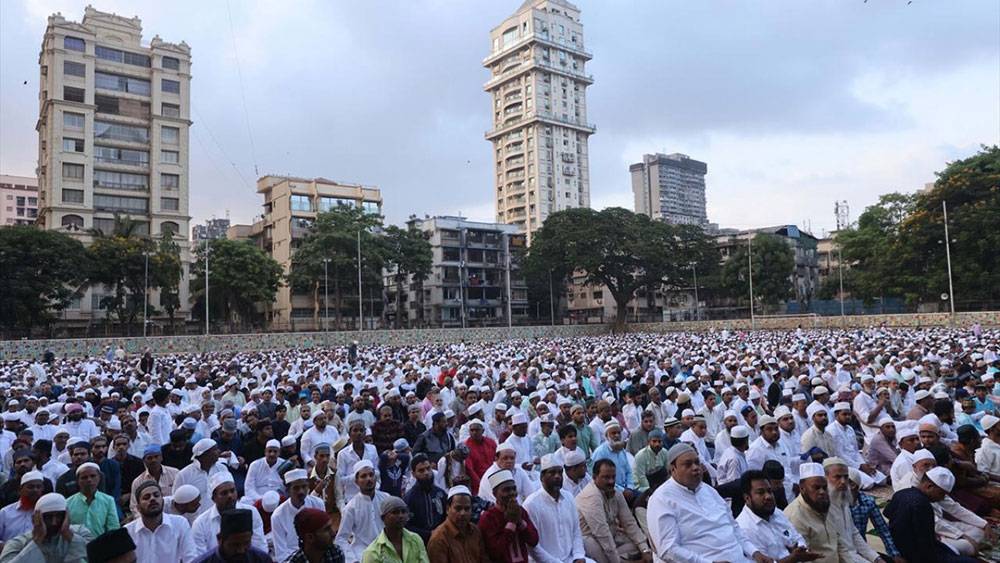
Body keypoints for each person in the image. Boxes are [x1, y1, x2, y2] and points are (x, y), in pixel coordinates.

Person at [647, 443, 766, 563]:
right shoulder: (661, 499)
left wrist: (754, 552)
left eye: (697, 462)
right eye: (688, 464)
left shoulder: (709, 491)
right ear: (673, 469)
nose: (695, 468)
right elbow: (668, 549)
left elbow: (734, 527)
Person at [883, 467, 979, 563]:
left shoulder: (901, 493)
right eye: (941, 493)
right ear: (929, 486)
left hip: (901, 547)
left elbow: (887, 512)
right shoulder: (922, 505)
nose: (942, 498)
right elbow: (925, 545)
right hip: (915, 554)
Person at [576, 459, 651, 563]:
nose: (611, 481)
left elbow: (629, 523)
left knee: (639, 544)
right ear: (594, 477)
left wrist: (645, 550)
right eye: (606, 477)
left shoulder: (616, 493)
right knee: (592, 544)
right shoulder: (591, 496)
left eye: (613, 477)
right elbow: (602, 533)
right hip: (591, 540)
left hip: (611, 540)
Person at [735, 469, 815, 563]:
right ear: (747, 498)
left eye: (769, 491)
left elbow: (798, 539)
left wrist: (799, 551)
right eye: (761, 493)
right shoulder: (744, 527)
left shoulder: (776, 512)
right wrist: (793, 558)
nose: (768, 496)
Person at [785, 462, 859, 563]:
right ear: (802, 488)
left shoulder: (823, 505)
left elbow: (839, 545)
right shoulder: (795, 516)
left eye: (824, 487)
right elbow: (803, 559)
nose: (822, 492)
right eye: (816, 488)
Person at [522, 454, 587, 563]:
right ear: (542, 477)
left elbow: (576, 531)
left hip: (570, 558)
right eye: (552, 473)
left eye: (560, 472)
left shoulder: (569, 498)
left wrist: (579, 556)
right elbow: (532, 547)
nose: (557, 476)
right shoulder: (531, 504)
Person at [0, 492, 93, 562]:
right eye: (48, 517)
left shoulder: (81, 533)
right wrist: (36, 541)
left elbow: (95, 556)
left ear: (66, 516)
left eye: (59, 516)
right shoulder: (17, 543)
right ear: (35, 518)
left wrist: (69, 535)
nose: (54, 523)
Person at [190, 472, 267, 556]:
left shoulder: (251, 512)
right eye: (224, 493)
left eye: (232, 490)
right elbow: (201, 557)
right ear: (213, 498)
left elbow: (260, 546)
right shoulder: (200, 523)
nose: (230, 496)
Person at [124, 481, 198, 563]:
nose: (152, 499)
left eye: (156, 495)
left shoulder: (180, 523)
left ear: (163, 501)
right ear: (138, 507)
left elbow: (191, 558)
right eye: (146, 497)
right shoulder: (128, 532)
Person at [477, 469, 539, 563]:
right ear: (495, 494)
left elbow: (533, 540)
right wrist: (512, 523)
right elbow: (496, 552)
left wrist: (520, 522)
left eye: (514, 489)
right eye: (506, 490)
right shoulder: (487, 518)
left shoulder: (520, 511)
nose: (512, 493)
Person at [335, 460, 390, 563]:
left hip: (387, 550)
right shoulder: (351, 507)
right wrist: (352, 560)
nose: (368, 479)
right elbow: (341, 538)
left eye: (371, 475)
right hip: (362, 553)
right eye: (363, 476)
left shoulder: (386, 498)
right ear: (356, 481)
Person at [846, 469, 901, 562]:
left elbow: (882, 529)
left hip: (862, 550)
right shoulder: (832, 503)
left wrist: (894, 555)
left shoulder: (867, 501)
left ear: (853, 485)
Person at [272, 469, 326, 562]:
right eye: (296, 488)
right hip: (292, 558)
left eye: (304, 487)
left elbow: (324, 535)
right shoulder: (278, 516)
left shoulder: (318, 504)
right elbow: (281, 554)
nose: (301, 491)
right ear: (288, 490)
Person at [426, 485, 489, 563]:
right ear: (448, 509)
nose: (463, 513)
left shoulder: (475, 531)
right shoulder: (439, 539)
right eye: (458, 508)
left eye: (467, 509)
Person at [174, 439, 233, 517]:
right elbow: (178, 501)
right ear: (204, 454)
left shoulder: (222, 468)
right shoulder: (183, 475)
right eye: (215, 449)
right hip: (194, 520)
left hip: (220, 516)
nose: (219, 451)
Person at [361, 496, 428, 563]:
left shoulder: (415, 540)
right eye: (395, 512)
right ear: (383, 518)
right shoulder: (373, 552)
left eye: (403, 511)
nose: (401, 516)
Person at [192, 508, 271, 563]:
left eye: (246, 543)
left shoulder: (262, 559)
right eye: (235, 545)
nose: (241, 550)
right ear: (220, 539)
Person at [66, 462, 119, 537]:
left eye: (93, 476)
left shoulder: (108, 500)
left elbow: (113, 529)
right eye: (84, 477)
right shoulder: (68, 503)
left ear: (99, 478)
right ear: (78, 481)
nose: (89, 480)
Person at [402, 454, 446, 544]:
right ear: (414, 474)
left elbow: (447, 516)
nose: (426, 473)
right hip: (419, 544)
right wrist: (430, 534)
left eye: (428, 468)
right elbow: (406, 526)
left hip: (443, 539)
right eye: (421, 470)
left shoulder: (440, 493)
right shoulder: (409, 498)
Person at [336, 421, 380, 508]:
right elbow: (340, 480)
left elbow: (377, 472)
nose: (358, 433)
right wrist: (358, 476)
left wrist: (370, 476)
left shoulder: (372, 449)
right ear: (349, 433)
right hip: (352, 497)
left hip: (371, 495)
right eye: (355, 430)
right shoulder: (343, 454)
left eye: (361, 430)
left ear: (365, 433)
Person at [131, 445, 180, 515]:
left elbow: (181, 497)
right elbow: (134, 506)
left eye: (156, 457)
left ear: (161, 458)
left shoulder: (175, 473)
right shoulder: (138, 482)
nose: (153, 460)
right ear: (144, 461)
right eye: (149, 458)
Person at [0, 471, 45, 544]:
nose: (35, 490)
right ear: (20, 490)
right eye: (30, 487)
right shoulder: (5, 513)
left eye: (38, 487)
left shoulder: (46, 512)